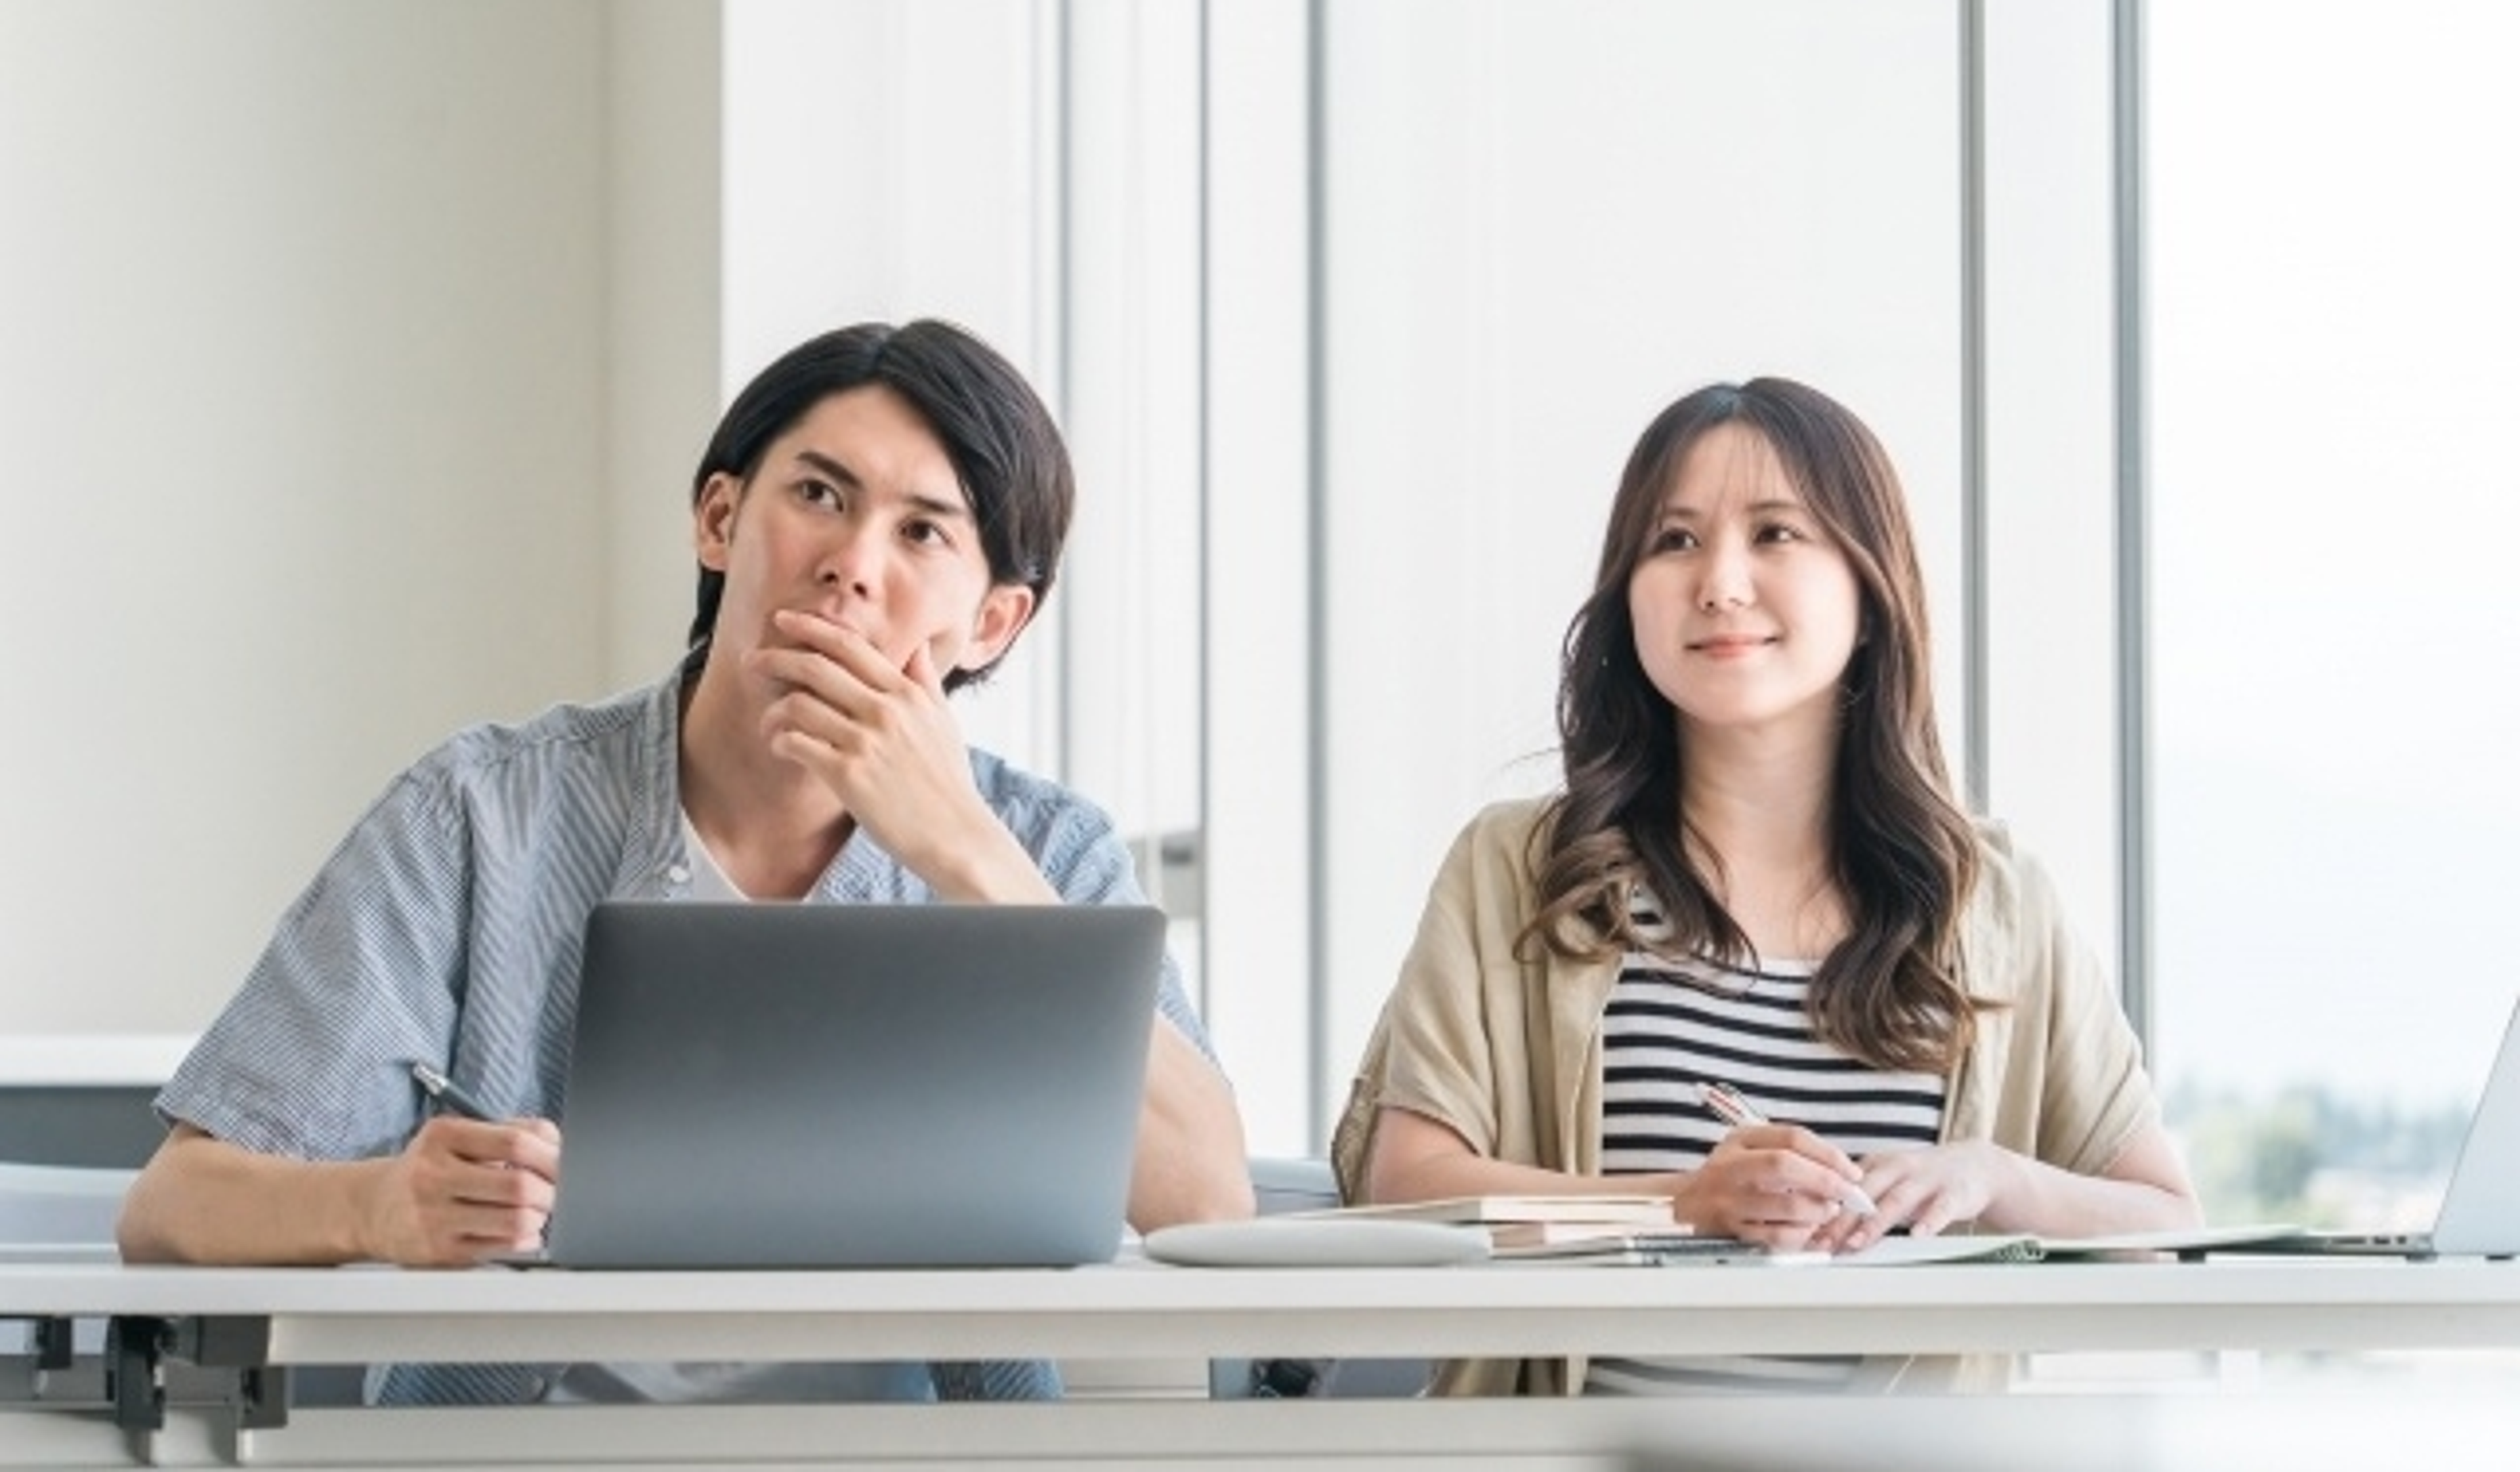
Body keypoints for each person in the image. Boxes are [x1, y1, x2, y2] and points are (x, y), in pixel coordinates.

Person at [119, 318, 1254, 1404]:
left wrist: (961, 851)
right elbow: (176, 1205)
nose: (852, 566)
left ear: (995, 622)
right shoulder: (482, 813)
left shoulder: (1044, 850)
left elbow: (1208, 1203)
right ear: (720, 519)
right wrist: (381, 1206)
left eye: (923, 532)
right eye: (818, 494)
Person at [1330, 376, 2201, 1397]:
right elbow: (1408, 1192)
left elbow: (2165, 1226)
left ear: (1870, 590)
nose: (1721, 582)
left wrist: (1993, 1178)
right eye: (1675, 540)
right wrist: (1682, 1203)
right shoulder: (1517, 869)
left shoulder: (1993, 897)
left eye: (1777, 533)